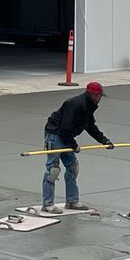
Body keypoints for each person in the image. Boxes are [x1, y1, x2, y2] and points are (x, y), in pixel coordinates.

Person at [40, 81, 111, 214]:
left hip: (66, 136)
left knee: (73, 168)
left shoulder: (90, 106)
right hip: (55, 135)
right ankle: (48, 204)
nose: (101, 98)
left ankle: (72, 201)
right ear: (94, 95)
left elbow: (90, 126)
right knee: (53, 170)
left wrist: (104, 140)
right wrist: (73, 145)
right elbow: (65, 127)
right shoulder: (75, 104)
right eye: (100, 95)